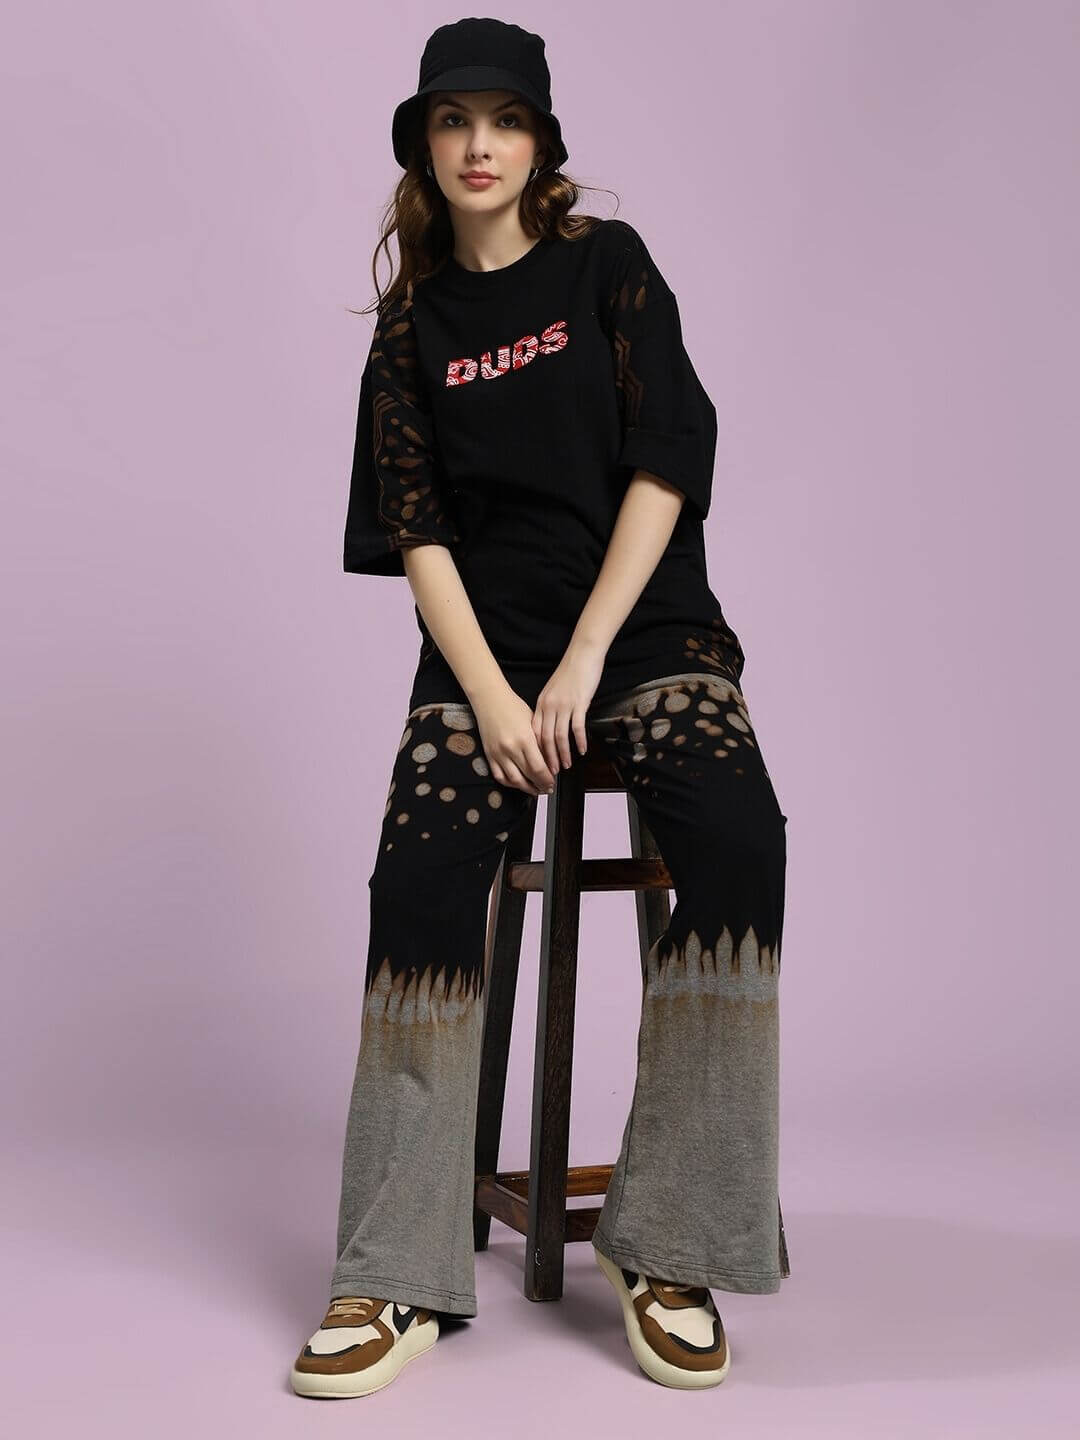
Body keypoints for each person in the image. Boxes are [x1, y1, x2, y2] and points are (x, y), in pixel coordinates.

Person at [290, 17, 790, 1399]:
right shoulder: (412, 328)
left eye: (503, 121)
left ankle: (671, 1238)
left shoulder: (606, 269)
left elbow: (667, 462)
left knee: (742, 840)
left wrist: (575, 669)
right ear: (424, 147)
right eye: (452, 124)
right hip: (482, 660)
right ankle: (393, 1270)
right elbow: (417, 533)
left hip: (647, 637)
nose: (478, 146)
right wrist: (497, 695)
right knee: (421, 881)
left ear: (542, 143)